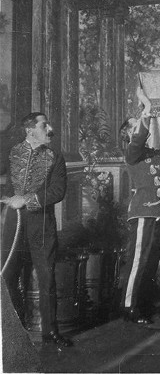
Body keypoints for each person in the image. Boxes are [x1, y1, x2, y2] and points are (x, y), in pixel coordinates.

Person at [0, 112, 72, 347]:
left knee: (46, 277)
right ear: (30, 130)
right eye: (44, 125)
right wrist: (6, 199)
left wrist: (27, 200)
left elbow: (57, 191)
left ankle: (50, 333)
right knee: (8, 276)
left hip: (41, 224)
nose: (50, 129)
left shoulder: (55, 156)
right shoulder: (12, 152)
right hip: (13, 222)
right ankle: (15, 330)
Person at [118, 89, 160, 324]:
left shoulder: (151, 154)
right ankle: (129, 306)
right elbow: (139, 137)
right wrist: (146, 108)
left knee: (151, 261)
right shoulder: (131, 153)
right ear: (128, 135)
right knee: (138, 260)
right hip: (143, 213)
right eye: (134, 127)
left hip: (159, 213)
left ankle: (142, 303)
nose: (140, 130)